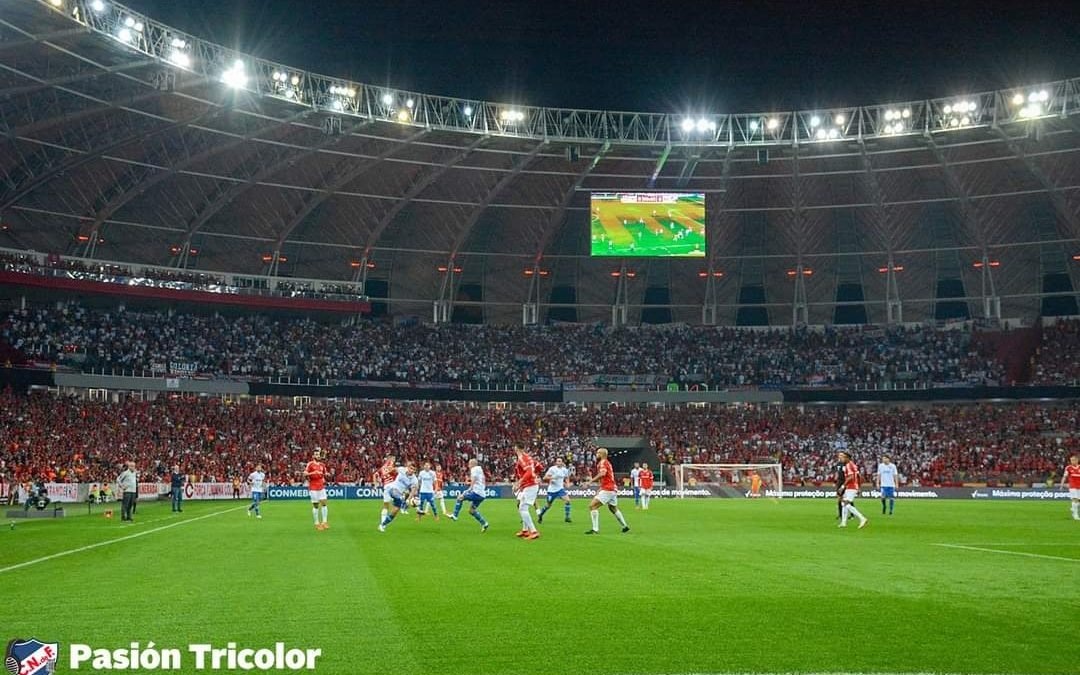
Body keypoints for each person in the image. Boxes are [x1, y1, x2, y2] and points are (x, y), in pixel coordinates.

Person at [585, 448, 630, 535]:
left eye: (598, 453)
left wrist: (590, 481)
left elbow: (602, 474)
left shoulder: (603, 462)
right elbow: (605, 477)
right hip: (612, 488)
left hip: (608, 489)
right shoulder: (607, 462)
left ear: (602, 454)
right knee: (612, 508)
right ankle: (625, 526)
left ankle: (595, 529)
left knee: (592, 506)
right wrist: (600, 488)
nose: (596, 454)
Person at [449, 458, 489, 533]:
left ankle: (455, 515)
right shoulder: (480, 470)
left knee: (460, 497)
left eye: (469, 464)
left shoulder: (474, 469)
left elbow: (473, 479)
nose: (468, 466)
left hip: (476, 493)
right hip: (482, 495)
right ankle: (484, 523)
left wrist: (469, 488)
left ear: (472, 464)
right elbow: (481, 480)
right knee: (471, 511)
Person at [378, 462, 418, 532]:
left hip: (399, 493)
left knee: (395, 511)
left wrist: (408, 499)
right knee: (393, 498)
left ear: (415, 471)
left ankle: (382, 525)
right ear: (408, 467)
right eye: (410, 468)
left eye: (413, 469)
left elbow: (413, 490)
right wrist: (384, 476)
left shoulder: (414, 480)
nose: (411, 470)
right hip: (391, 488)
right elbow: (393, 470)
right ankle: (402, 502)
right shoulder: (402, 469)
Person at [512, 445, 540, 540]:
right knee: (521, 507)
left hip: (530, 485)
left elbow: (528, 471)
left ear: (517, 449)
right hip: (529, 485)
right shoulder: (529, 457)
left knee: (523, 508)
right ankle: (525, 530)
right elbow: (539, 467)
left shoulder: (522, 458)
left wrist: (519, 482)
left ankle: (533, 531)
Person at [837, 451, 868, 529]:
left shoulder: (848, 465)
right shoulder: (853, 465)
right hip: (852, 486)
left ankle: (862, 518)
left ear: (847, 458)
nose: (842, 458)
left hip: (851, 487)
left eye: (843, 457)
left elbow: (850, 477)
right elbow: (858, 476)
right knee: (843, 503)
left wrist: (843, 486)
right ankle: (843, 523)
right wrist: (859, 487)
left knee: (846, 503)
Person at [538, 457, 572, 524]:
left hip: (560, 489)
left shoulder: (564, 470)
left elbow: (567, 477)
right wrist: (553, 477)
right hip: (552, 490)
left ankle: (567, 517)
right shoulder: (552, 469)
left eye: (560, 461)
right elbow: (545, 477)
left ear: (562, 462)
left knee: (568, 501)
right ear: (556, 462)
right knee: (548, 505)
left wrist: (567, 483)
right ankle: (540, 515)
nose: (559, 462)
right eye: (558, 461)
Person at [305, 449, 329, 531]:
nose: (317, 456)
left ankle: (324, 522)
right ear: (313, 456)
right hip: (313, 487)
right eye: (316, 454)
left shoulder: (322, 465)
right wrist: (313, 473)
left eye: (318, 454)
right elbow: (304, 474)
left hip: (321, 486)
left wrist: (327, 475)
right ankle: (317, 523)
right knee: (316, 505)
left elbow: (325, 474)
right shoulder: (310, 464)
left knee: (324, 503)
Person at [1059, 454, 1080, 521]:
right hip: (1072, 486)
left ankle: (1073, 508)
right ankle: (1075, 515)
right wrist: (1061, 485)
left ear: (1077, 460)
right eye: (1071, 460)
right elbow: (1064, 477)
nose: (1072, 461)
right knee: (1075, 499)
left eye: (1073, 460)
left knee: (1078, 501)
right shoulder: (1068, 468)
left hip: (1079, 486)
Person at [377, 455, 396, 527]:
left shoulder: (382, 468)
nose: (394, 460)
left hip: (386, 486)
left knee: (386, 505)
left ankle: (382, 523)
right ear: (389, 459)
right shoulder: (390, 464)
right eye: (393, 458)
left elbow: (376, 475)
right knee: (401, 498)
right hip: (392, 485)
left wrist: (377, 483)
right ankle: (407, 503)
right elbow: (393, 472)